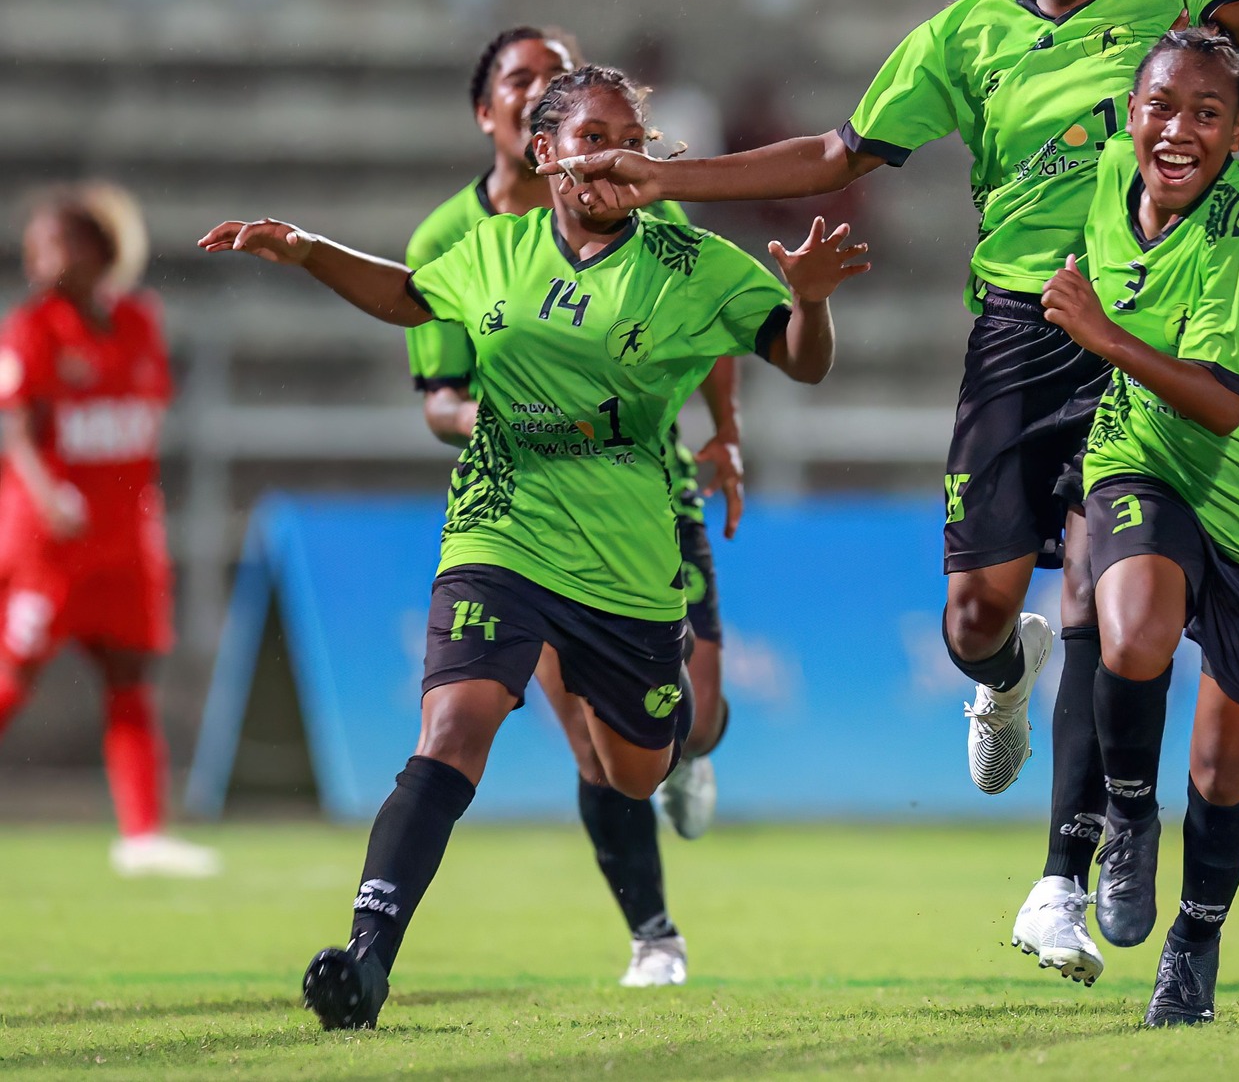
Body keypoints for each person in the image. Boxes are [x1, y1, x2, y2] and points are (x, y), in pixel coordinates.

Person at [547, 0, 1239, 978]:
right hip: (1016, 340)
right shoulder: (964, 36)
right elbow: (839, 153)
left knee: (1099, 584)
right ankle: (1003, 678)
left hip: (1128, 327)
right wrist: (668, 172)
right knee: (978, 617)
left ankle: (1062, 879)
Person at [199, 65, 868, 1029]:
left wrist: (808, 301)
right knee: (452, 730)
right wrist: (308, 252)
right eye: (587, 136)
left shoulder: (692, 262)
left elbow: (802, 364)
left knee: (633, 770)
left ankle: (678, 752)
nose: (606, 156)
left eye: (626, 138)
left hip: (630, 551)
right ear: (541, 150)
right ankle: (367, 959)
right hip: (500, 522)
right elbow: (407, 297)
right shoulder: (492, 250)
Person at [407, 30, 743, 987]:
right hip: (528, 515)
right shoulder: (451, 240)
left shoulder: (631, 201)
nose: (536, 94)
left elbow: (704, 305)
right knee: (593, 747)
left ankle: (687, 751)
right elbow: (438, 399)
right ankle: (655, 935)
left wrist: (725, 426)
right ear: (493, 114)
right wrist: (521, 412)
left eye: (552, 78)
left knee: (699, 723)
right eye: (520, 80)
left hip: (649, 494)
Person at [1035, 29, 1239, 1026]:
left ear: (1238, 131)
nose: (1178, 130)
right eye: (1162, 105)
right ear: (1131, 109)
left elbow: (1220, 402)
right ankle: (1124, 813)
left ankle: (1194, 937)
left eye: (1208, 113)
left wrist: (1101, 336)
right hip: (1142, 461)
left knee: (1220, 771)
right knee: (1132, 631)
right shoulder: (1104, 172)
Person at [0, 187, 219, 878]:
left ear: (97, 247)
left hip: (125, 541)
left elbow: (140, 419)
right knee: (14, 673)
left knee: (129, 678)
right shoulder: (31, 329)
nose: (40, 256)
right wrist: (46, 491)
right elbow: (13, 425)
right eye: (35, 243)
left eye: (55, 241)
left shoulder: (139, 322)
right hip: (52, 543)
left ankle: (143, 834)